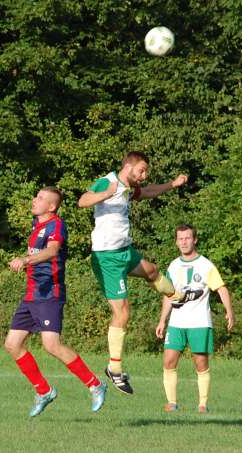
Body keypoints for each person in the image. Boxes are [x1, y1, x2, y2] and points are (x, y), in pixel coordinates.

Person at [78, 151, 198, 396]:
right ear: (128, 166)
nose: (144, 175)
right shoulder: (109, 181)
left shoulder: (129, 188)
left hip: (125, 252)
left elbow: (148, 192)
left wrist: (172, 185)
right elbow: (83, 200)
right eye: (141, 170)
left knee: (152, 271)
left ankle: (176, 297)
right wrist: (106, 193)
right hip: (107, 257)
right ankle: (114, 368)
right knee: (122, 314)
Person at [4, 187, 107, 417]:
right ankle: (44, 390)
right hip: (32, 294)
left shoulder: (56, 225)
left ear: (51, 207)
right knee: (12, 344)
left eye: (40, 198)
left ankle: (95, 384)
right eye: (36, 196)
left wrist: (26, 259)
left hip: (49, 294)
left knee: (51, 345)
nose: (34, 200)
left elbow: (52, 251)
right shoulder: (36, 224)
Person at [155, 224, 235, 413]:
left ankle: (202, 405)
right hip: (176, 323)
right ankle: (172, 403)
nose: (184, 242)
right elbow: (168, 295)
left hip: (199, 323)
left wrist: (229, 311)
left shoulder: (205, 265)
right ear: (176, 241)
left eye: (187, 238)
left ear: (195, 240)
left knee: (200, 362)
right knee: (168, 361)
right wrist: (162, 320)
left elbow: (221, 288)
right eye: (180, 239)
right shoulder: (173, 266)